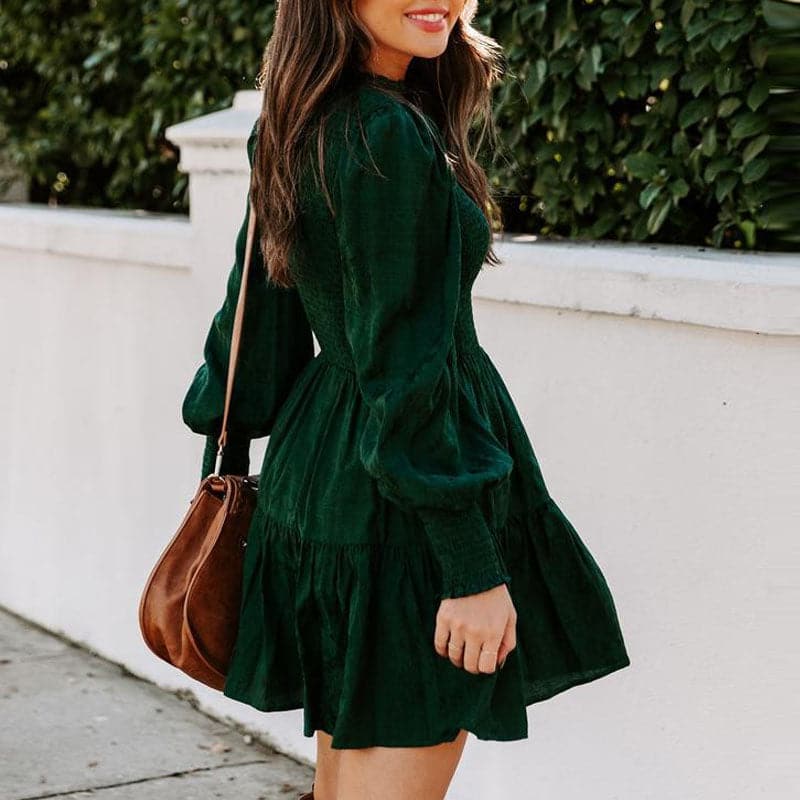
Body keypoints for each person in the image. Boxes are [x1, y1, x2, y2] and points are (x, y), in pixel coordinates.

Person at [181, 1, 631, 798]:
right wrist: (470, 569)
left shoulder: (298, 119)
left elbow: (257, 331)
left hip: (320, 483)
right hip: (400, 507)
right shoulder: (382, 133)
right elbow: (403, 370)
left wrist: (231, 461)